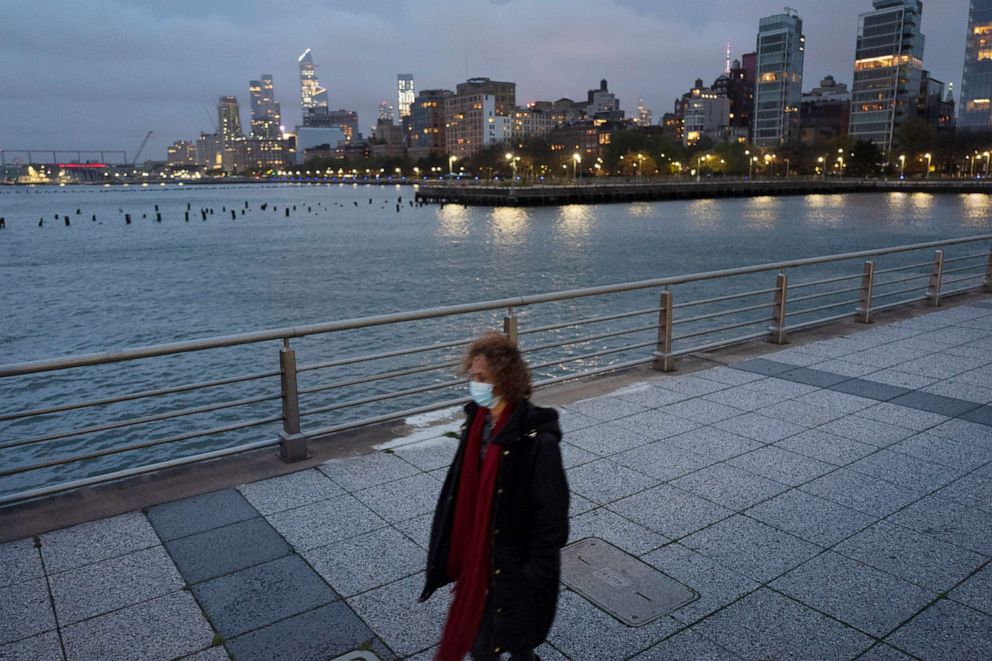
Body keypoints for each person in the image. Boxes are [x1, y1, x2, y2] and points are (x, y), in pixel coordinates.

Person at [420, 331, 570, 660]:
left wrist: (532, 574)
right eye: (472, 376)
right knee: (490, 639)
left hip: (514, 566)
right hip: (481, 555)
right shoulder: (477, 424)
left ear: (505, 379)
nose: (475, 385)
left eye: (481, 377)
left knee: (503, 640)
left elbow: (552, 518)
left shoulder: (536, 441)